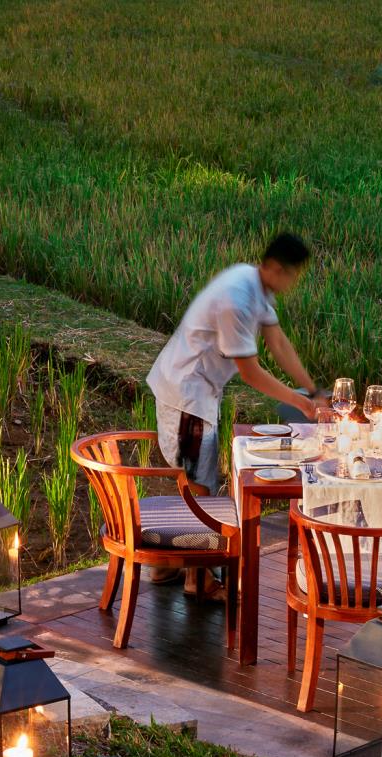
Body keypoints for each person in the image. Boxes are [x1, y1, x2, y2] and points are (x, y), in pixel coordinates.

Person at [145, 232, 325, 591]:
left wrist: (312, 389)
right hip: (187, 394)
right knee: (201, 484)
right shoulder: (237, 299)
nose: (293, 284)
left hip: (196, 389)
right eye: (292, 276)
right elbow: (250, 371)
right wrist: (301, 402)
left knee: (199, 478)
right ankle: (199, 579)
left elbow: (278, 342)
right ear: (276, 268)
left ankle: (167, 564)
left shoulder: (253, 282)